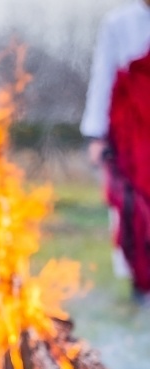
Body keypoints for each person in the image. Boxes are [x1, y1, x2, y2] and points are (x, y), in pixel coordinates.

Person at [80, 0, 150, 303]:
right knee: (135, 208)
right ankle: (143, 284)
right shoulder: (118, 23)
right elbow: (103, 76)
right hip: (133, 133)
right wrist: (96, 135)